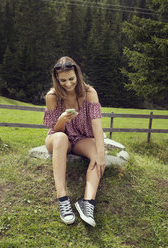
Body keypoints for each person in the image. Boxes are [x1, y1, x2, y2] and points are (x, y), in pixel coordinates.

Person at [43, 56, 105, 227]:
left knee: (97, 154)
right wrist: (62, 119)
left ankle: (87, 203)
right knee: (62, 138)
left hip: (81, 138)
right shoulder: (52, 96)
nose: (68, 83)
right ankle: (62, 198)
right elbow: (56, 130)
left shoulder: (90, 93)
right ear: (57, 79)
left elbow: (97, 125)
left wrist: (100, 153)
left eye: (71, 78)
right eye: (63, 80)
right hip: (57, 136)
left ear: (77, 75)